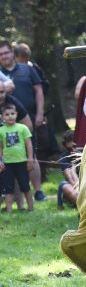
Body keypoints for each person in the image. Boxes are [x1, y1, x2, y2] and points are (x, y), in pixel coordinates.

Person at [0, 40, 45, 201]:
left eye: (6, 52)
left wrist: (40, 113)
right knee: (12, 158)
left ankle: (38, 191)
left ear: (12, 53)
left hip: (28, 118)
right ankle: (16, 197)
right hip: (5, 122)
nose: (4, 56)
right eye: (0, 54)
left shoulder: (27, 69)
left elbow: (39, 91)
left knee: (31, 153)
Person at [0, 103, 34, 212]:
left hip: (22, 162)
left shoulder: (23, 128)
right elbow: (0, 147)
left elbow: (28, 144)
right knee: (8, 188)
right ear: (2, 116)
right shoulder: (1, 130)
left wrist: (30, 159)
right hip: (7, 164)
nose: (10, 116)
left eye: (12, 114)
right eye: (7, 114)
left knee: (25, 186)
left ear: (17, 114)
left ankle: (30, 208)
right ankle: (9, 210)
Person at [56, 130, 80, 210]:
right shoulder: (64, 158)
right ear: (66, 144)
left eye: (75, 147)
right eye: (70, 148)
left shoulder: (84, 154)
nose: (73, 150)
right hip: (74, 185)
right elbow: (70, 179)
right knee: (62, 184)